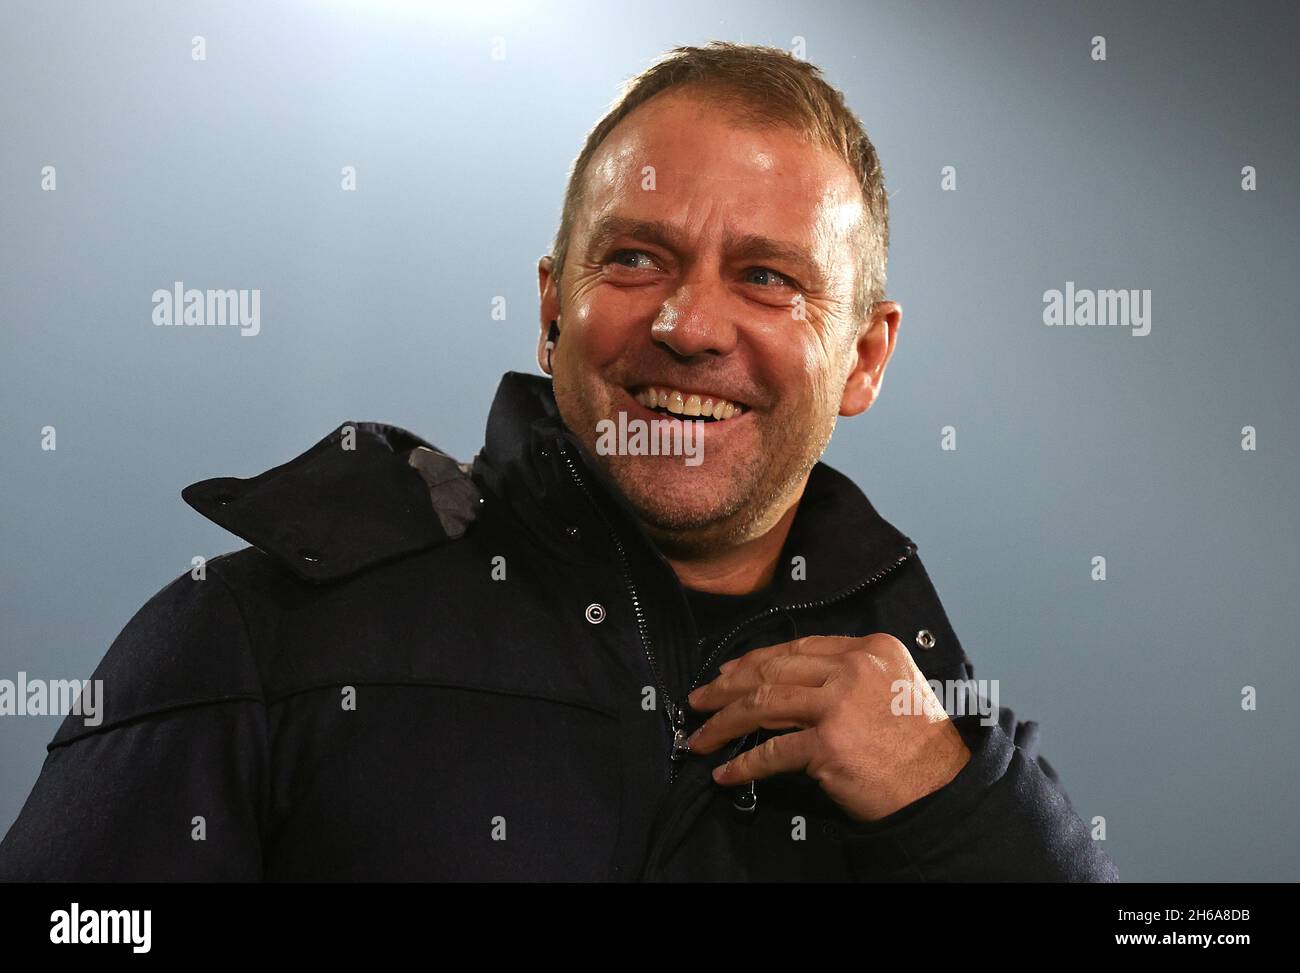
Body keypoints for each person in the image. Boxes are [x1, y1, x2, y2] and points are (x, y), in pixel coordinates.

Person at [0, 41, 1118, 881]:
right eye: (636, 257)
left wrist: (956, 802)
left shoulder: (943, 736)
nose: (689, 323)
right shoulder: (253, 636)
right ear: (551, 308)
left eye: (768, 277)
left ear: (864, 357)